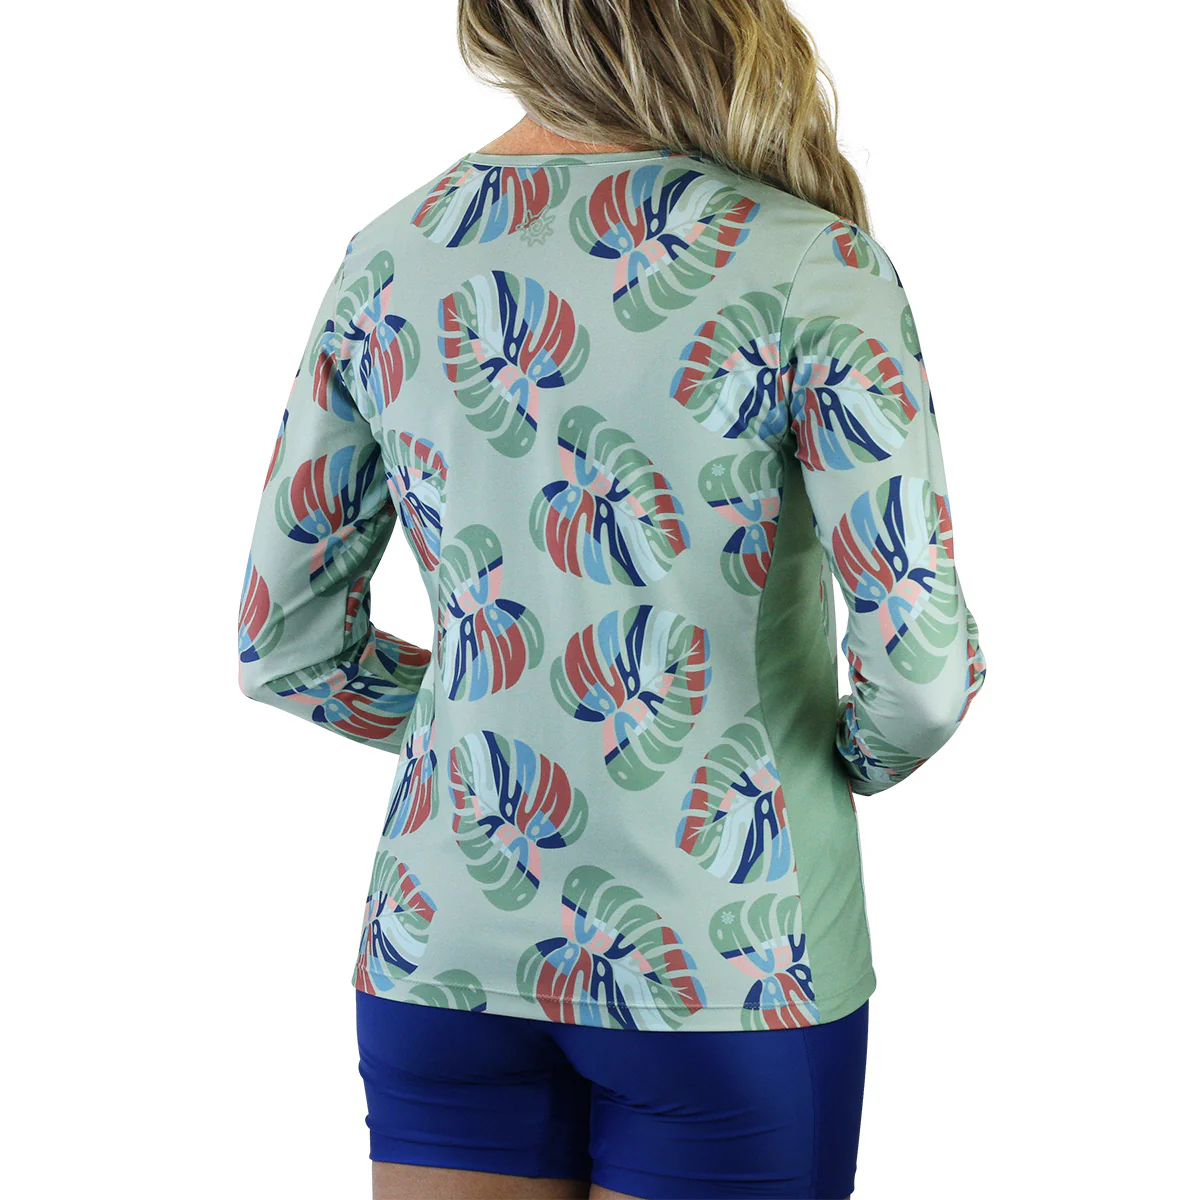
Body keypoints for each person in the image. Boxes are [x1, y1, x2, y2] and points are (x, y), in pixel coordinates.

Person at [236, 2, 988, 1196]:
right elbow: (923, 675)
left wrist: (489, 723)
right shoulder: (812, 265)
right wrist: (828, 755)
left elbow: (285, 644)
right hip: (732, 954)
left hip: (441, 943)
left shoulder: (391, 255)